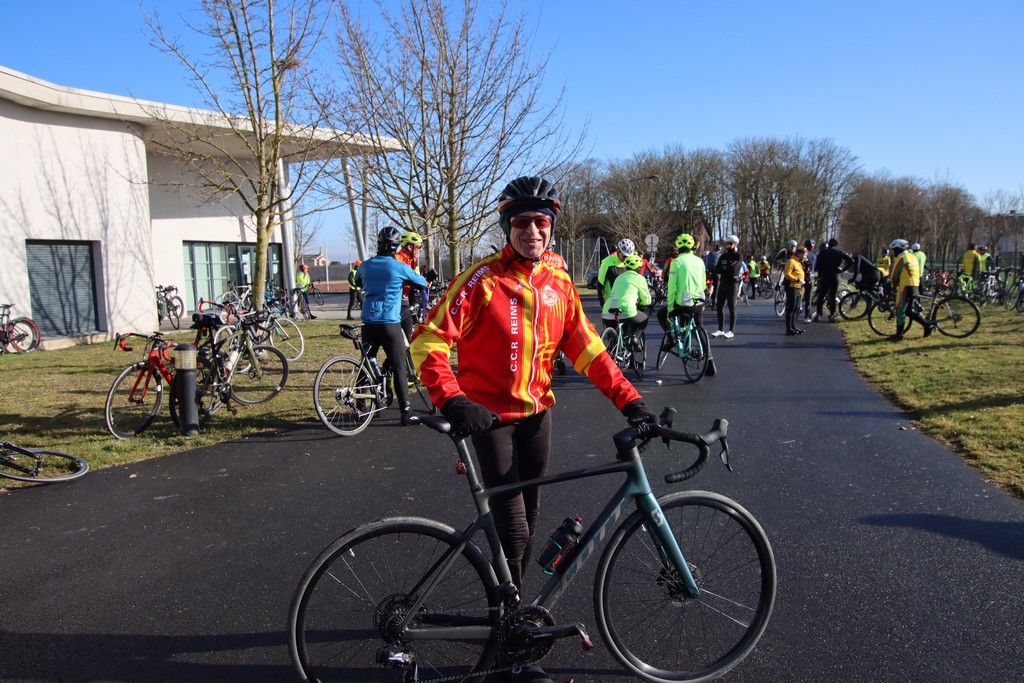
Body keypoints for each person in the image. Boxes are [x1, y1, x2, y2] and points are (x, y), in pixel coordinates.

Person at [411, 177, 656, 683]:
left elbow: (588, 350)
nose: (532, 231)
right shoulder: (481, 281)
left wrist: (630, 401)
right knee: (515, 529)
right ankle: (512, 650)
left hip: (537, 417)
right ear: (507, 227)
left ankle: (512, 619)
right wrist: (453, 399)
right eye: (521, 222)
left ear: (552, 227)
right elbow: (428, 340)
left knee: (529, 522)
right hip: (489, 420)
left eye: (540, 222)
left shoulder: (559, 282)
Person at [355, 227, 428, 426]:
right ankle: (406, 412)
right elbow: (422, 283)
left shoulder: (366, 265)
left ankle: (360, 407)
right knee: (398, 366)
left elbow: (357, 281)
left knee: (365, 363)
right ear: (397, 246)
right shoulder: (399, 267)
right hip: (389, 322)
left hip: (368, 322)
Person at [661, 232, 708, 344]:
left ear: (678, 247)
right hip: (699, 299)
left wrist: (670, 307)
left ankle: (673, 340)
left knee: (662, 314)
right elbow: (703, 284)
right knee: (699, 327)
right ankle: (708, 353)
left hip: (685, 301)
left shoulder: (676, 262)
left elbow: (672, 286)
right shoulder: (700, 261)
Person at [888, 238, 934, 341]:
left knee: (900, 309)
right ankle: (928, 325)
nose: (893, 252)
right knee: (908, 310)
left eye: (893, 250)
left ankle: (899, 335)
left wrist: (892, 286)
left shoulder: (902, 258)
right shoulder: (912, 257)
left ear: (898, 249)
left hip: (905, 286)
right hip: (914, 285)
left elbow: (895, 275)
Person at [602, 253, 652, 342]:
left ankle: (612, 348)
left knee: (613, 341)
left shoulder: (618, 278)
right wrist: (644, 305)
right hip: (627, 309)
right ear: (638, 268)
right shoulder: (640, 278)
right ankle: (635, 339)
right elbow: (646, 300)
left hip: (608, 309)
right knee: (644, 319)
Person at [813, 238, 853, 321]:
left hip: (825, 275)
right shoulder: (839, 252)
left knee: (821, 295)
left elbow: (817, 266)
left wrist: (821, 271)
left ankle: (819, 313)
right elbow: (851, 261)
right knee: (833, 295)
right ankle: (832, 314)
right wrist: (843, 269)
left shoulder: (822, 252)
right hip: (835, 275)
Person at [711, 234, 743, 338]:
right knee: (719, 306)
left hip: (733, 284)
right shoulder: (723, 256)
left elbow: (734, 269)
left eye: (731, 243)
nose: (728, 245)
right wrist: (726, 268)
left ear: (735, 244)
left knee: (731, 306)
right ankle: (720, 329)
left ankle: (731, 331)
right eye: (727, 243)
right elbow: (717, 269)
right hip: (723, 283)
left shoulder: (738, 256)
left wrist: (724, 268)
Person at [396, 231, 425, 341]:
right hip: (396, 303)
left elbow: (417, 279)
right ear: (409, 247)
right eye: (419, 247)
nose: (420, 250)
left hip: (405, 302)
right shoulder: (397, 260)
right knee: (395, 341)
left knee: (411, 338)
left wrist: (427, 279)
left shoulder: (412, 260)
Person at [597, 238, 635, 306]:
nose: (626, 259)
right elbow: (600, 285)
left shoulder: (631, 263)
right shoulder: (607, 262)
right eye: (624, 256)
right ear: (618, 251)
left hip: (627, 301)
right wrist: (603, 304)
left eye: (628, 257)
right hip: (612, 302)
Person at [783, 246, 806, 335]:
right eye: (804, 255)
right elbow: (787, 274)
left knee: (796, 308)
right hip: (792, 286)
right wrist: (797, 279)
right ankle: (789, 329)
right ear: (799, 254)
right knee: (791, 308)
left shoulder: (798, 262)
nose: (805, 256)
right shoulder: (791, 261)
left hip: (798, 287)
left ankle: (793, 326)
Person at [801, 239, 817, 323]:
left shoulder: (801, 254)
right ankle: (806, 317)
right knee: (808, 298)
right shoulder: (814, 256)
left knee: (797, 295)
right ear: (813, 246)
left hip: (800, 277)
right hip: (810, 278)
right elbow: (816, 267)